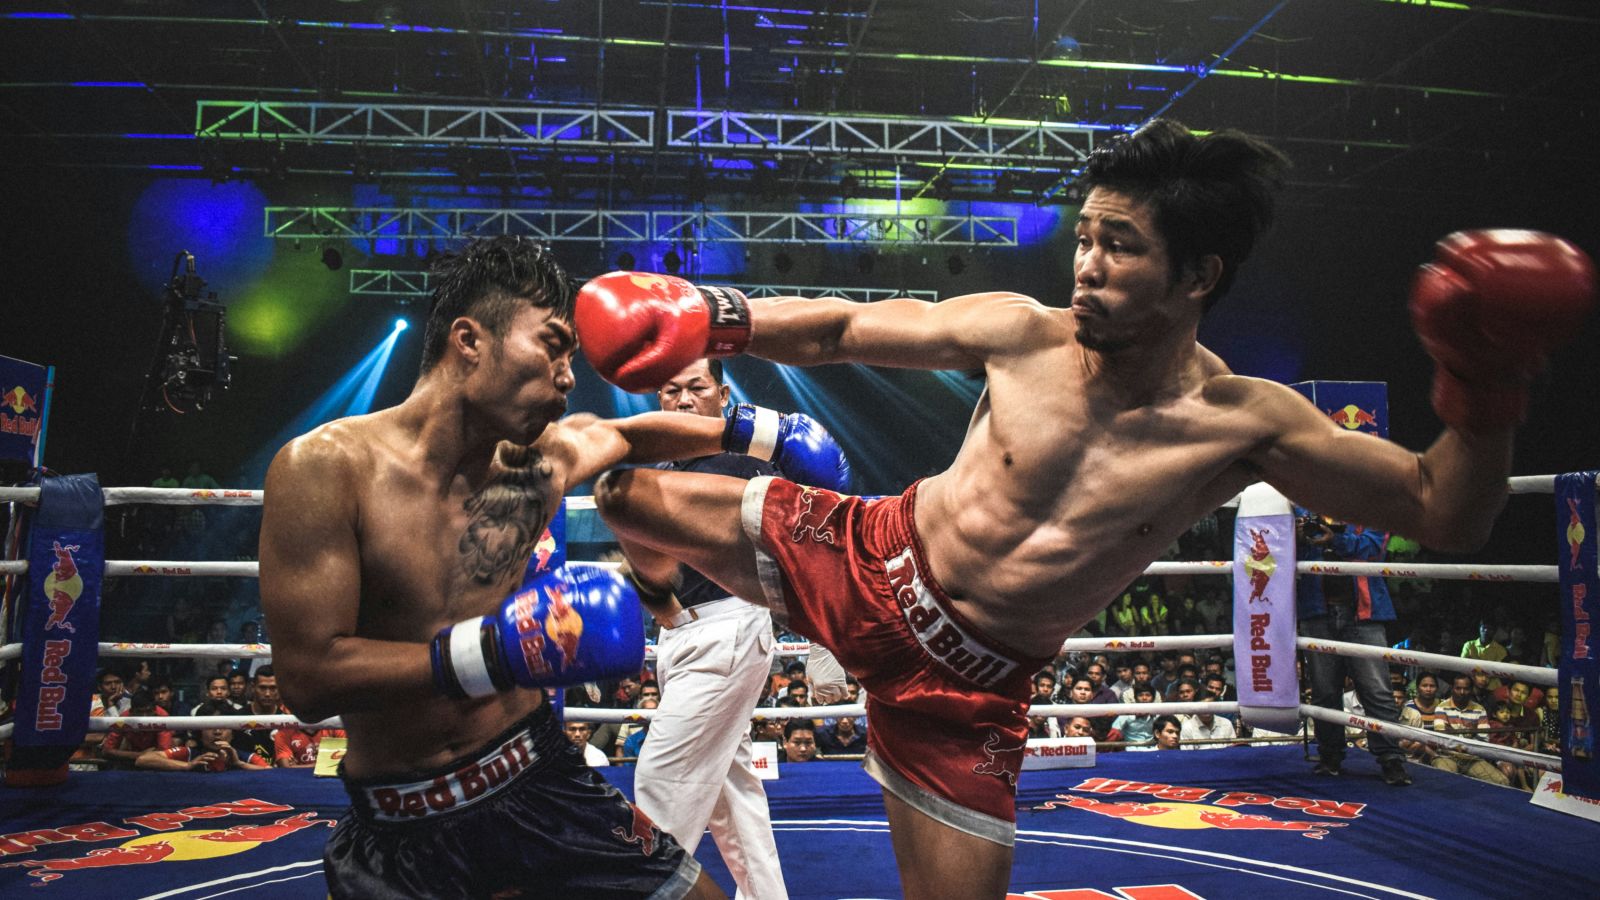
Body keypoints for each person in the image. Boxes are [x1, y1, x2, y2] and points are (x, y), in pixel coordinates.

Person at [577, 118, 1595, 898]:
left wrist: (1484, 384)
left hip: (965, 696)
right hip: (860, 554)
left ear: (1199, 275)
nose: (1087, 267)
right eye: (1086, 240)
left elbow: (1441, 510)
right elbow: (845, 326)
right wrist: (719, 318)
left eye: (1120, 248)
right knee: (613, 484)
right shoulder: (1023, 333)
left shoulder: (1244, 425)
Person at [259, 236, 763, 899]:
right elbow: (307, 678)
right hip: (403, 824)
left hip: (541, 781)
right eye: (552, 345)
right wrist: (491, 655)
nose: (566, 375)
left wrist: (761, 433)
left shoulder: (530, 471)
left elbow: (626, 435)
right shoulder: (326, 469)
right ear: (470, 340)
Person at [629, 357, 849, 900]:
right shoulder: (669, 471)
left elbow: (813, 531)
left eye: (695, 389)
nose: (681, 400)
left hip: (725, 636)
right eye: (670, 390)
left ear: (722, 395)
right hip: (685, 638)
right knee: (733, 800)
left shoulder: (739, 463)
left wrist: (824, 640)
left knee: (659, 790)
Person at [1296, 515, 1411, 784]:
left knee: (1377, 690)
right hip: (1317, 611)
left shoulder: (1368, 502)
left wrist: (1336, 539)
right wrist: (1298, 538)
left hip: (1363, 613)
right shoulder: (1303, 504)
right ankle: (1330, 756)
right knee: (1324, 691)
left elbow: (1374, 549)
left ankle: (1391, 758)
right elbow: (1280, 551)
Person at [136, 702, 271, 772]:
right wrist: (187, 766)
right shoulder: (189, 754)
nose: (217, 732)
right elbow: (143, 760)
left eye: (223, 726)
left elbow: (271, 773)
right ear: (199, 730)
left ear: (233, 731)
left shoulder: (246, 757)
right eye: (210, 726)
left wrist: (238, 764)